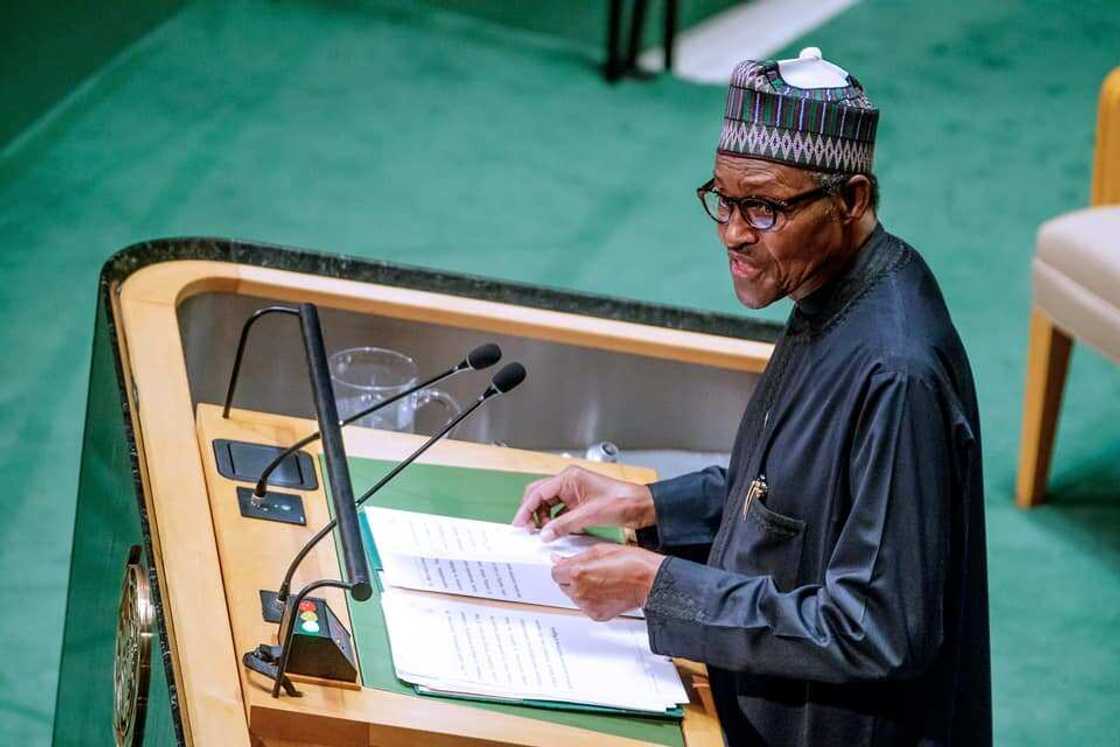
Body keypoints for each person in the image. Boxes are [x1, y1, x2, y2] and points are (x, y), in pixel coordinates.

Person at [512, 48, 992, 745]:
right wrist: (647, 504)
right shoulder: (825, 285)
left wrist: (660, 585)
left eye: (764, 207)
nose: (733, 233)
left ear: (850, 199)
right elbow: (796, 500)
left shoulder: (897, 370)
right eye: (725, 201)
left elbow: (877, 628)